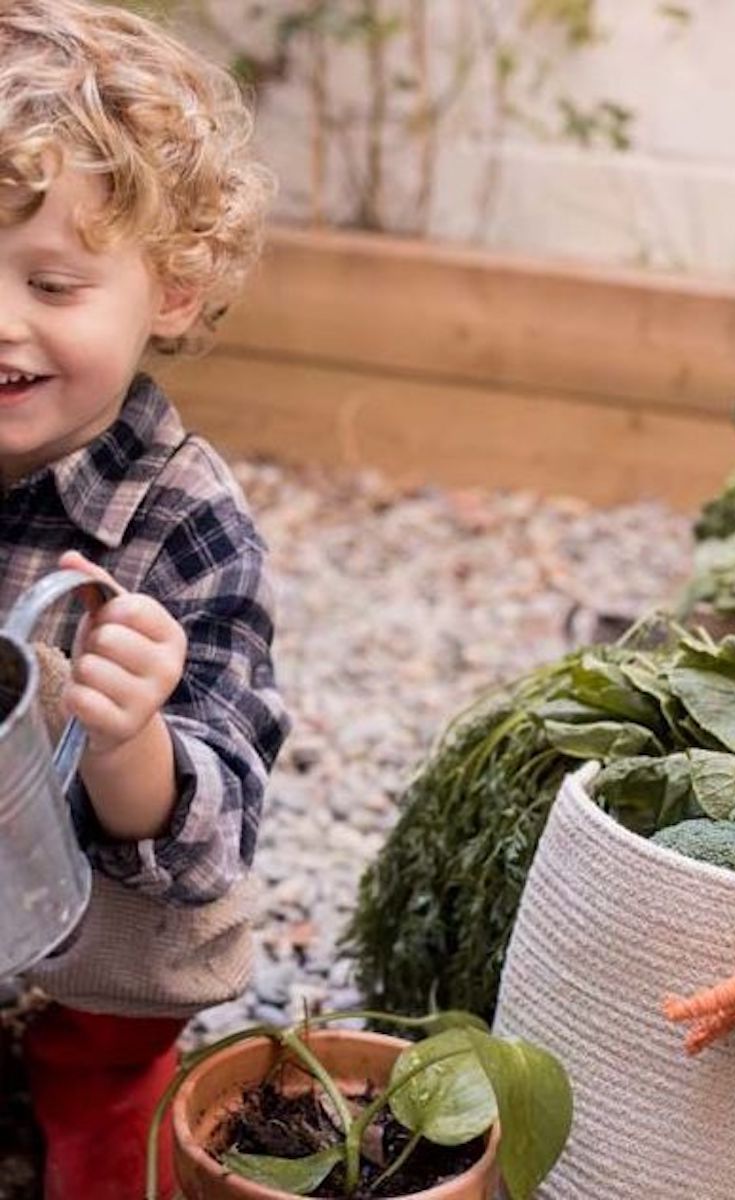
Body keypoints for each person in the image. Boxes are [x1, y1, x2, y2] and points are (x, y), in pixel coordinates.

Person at [0, 2, 290, 1195]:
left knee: (104, 1109)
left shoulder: (180, 524)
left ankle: (92, 1108)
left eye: (53, 283)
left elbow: (217, 827)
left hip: (100, 924)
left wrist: (126, 741)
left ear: (169, 289)